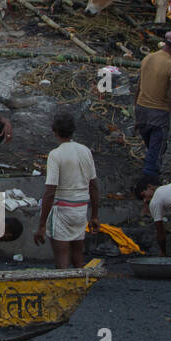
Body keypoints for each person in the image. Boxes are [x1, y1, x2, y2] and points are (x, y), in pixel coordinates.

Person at [33, 112, 99, 268]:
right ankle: (81, 288)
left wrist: (42, 225)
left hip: (62, 210)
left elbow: (50, 192)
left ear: (54, 131)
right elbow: (94, 186)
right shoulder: (85, 151)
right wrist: (95, 216)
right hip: (81, 209)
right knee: (78, 254)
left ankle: (64, 289)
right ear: (73, 130)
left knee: (62, 257)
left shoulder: (56, 155)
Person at [135, 30, 171, 183]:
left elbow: (138, 87)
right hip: (158, 115)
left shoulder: (148, 58)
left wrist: (136, 112)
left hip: (141, 110)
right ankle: (148, 186)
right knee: (155, 154)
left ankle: (149, 177)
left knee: (153, 150)